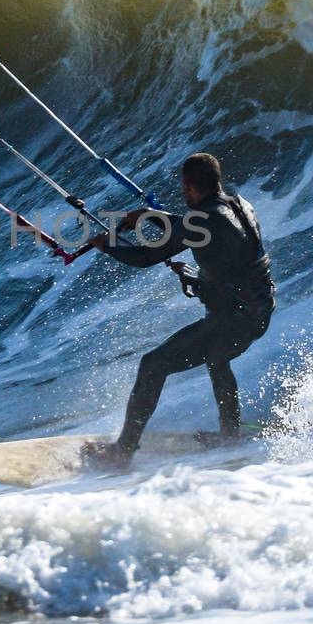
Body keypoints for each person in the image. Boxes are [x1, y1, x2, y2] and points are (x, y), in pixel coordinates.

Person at [81, 152, 275, 468]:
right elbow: (213, 240)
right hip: (258, 310)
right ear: (217, 178)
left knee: (152, 365)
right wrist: (149, 216)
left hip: (234, 320)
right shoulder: (241, 205)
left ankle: (122, 452)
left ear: (187, 186)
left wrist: (107, 245)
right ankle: (230, 434)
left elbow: (144, 257)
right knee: (217, 354)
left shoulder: (202, 220)